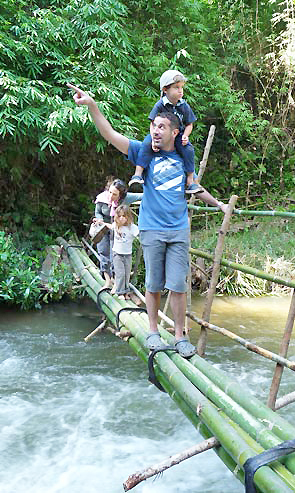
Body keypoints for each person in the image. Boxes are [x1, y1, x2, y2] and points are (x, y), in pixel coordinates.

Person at [68, 83, 227, 359]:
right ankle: (153, 331)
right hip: (152, 230)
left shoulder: (182, 158)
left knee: (177, 285)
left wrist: (220, 205)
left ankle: (180, 336)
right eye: (154, 125)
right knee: (153, 283)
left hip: (178, 230)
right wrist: (93, 106)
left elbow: (196, 189)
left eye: (162, 127)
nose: (156, 130)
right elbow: (110, 135)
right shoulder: (145, 152)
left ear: (175, 132)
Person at [128, 70, 203, 195]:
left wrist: (185, 136)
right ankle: (137, 175)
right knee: (146, 145)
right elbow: (152, 123)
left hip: (177, 135)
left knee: (189, 150)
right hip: (159, 134)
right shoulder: (160, 105)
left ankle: (190, 181)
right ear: (165, 90)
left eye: (181, 88)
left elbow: (189, 124)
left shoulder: (184, 106)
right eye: (176, 88)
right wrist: (153, 138)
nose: (180, 91)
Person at [97, 204, 139, 301]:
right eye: (119, 216)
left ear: (128, 217)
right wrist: (101, 222)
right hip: (117, 254)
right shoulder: (116, 225)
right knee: (120, 273)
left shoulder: (132, 228)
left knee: (127, 273)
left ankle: (126, 291)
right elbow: (110, 226)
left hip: (127, 254)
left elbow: (140, 234)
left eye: (124, 216)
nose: (121, 218)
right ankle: (120, 292)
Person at [94, 177, 127, 288]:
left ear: (120, 195)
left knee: (115, 254)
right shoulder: (101, 198)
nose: (111, 196)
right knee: (103, 251)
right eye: (110, 192)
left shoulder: (124, 199)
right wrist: (99, 219)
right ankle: (107, 280)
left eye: (115, 194)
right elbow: (97, 211)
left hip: (115, 229)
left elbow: (142, 196)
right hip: (102, 228)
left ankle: (116, 281)